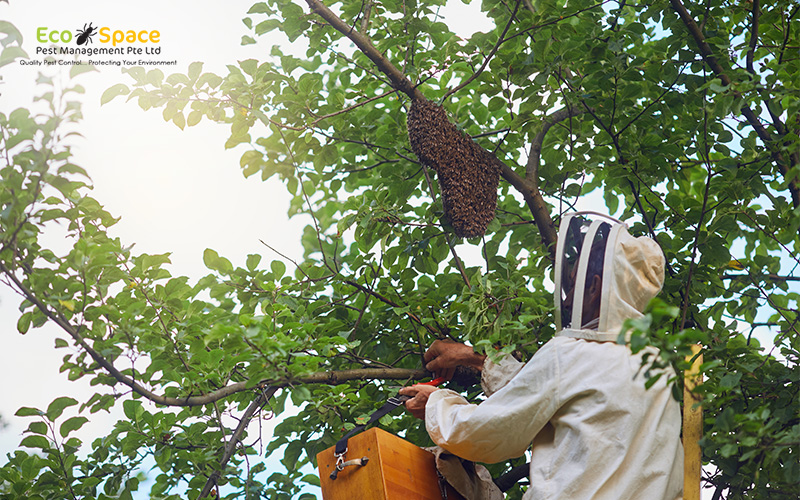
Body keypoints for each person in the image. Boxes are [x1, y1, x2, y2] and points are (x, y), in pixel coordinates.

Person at [400, 213, 684, 500]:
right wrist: (474, 358)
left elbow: (488, 430)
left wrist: (434, 404)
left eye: (573, 285)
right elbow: (546, 391)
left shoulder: (573, 353)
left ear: (596, 286)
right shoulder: (658, 369)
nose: (568, 296)